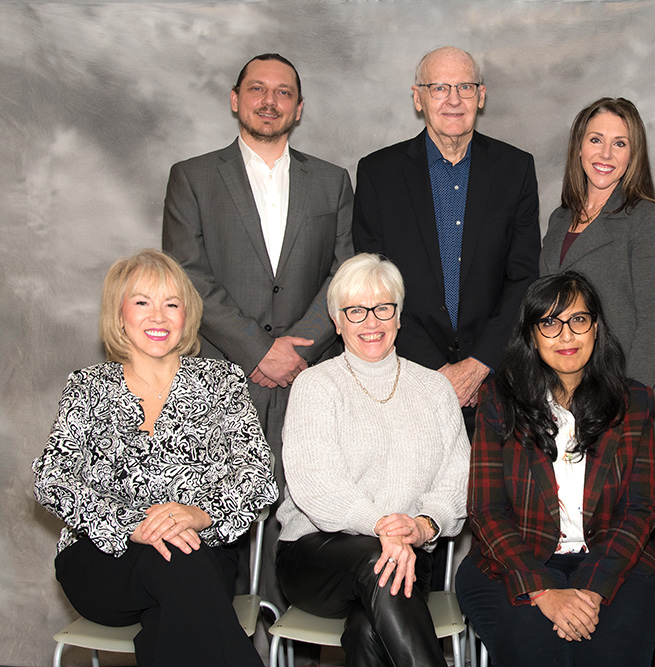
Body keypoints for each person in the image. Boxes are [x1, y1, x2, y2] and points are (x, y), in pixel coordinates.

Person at [162, 53, 353, 602]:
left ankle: (292, 643)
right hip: (219, 377)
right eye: (257, 89)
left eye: (283, 92)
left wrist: (297, 347)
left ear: (299, 108)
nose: (270, 101)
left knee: (303, 511)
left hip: (306, 375)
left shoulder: (333, 182)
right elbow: (186, 274)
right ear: (235, 99)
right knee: (214, 512)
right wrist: (256, 348)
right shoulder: (193, 178)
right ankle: (223, 642)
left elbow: (345, 272)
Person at [33, 249, 278, 666]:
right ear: (119, 314)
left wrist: (202, 515)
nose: (158, 317)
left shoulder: (222, 382)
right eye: (142, 302)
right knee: (180, 568)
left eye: (171, 304)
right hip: (104, 561)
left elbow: (258, 477)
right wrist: (134, 525)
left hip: (198, 550)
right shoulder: (88, 387)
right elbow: (51, 478)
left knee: (172, 612)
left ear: (187, 314)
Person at [457, 272, 655, 667]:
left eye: (578, 320)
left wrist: (591, 589)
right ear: (532, 335)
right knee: (539, 655)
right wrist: (542, 591)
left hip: (615, 560)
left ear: (596, 327)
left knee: (607, 655)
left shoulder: (634, 401)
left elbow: (639, 511)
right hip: (515, 561)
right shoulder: (499, 400)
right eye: (550, 323)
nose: (566, 336)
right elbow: (486, 512)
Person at [274, 253, 469, 667]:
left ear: (398, 316)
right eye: (356, 311)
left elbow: (458, 477)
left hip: (409, 556)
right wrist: (382, 525)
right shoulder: (316, 385)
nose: (371, 322)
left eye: (383, 308)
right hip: (316, 555)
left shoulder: (435, 389)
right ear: (337, 319)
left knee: (368, 629)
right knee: (378, 562)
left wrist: (423, 524)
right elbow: (316, 484)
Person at [352, 46, 540, 437]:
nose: (453, 100)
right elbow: (373, 282)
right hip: (406, 379)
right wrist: (439, 373)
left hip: (496, 382)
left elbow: (523, 278)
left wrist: (478, 364)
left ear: (481, 96)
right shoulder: (377, 174)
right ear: (418, 97)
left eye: (465, 87)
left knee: (491, 499)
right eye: (439, 87)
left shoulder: (515, 169)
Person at [540, 96, 655, 549]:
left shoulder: (646, 218)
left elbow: (654, 318)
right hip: (558, 400)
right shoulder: (560, 220)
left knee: (625, 549)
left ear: (634, 155)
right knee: (565, 542)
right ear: (579, 146)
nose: (605, 154)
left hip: (619, 398)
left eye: (620, 144)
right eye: (596, 140)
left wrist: (630, 407)